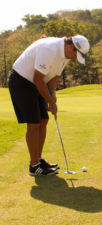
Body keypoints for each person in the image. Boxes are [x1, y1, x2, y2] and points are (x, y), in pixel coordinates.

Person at [8, 35, 90, 176]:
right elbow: (37, 78)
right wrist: (51, 103)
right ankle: (34, 166)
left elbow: (55, 76)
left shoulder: (66, 54)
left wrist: (52, 95)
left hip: (36, 82)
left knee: (44, 119)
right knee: (34, 123)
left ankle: (38, 160)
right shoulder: (49, 48)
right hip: (21, 81)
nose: (75, 59)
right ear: (71, 47)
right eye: (76, 55)